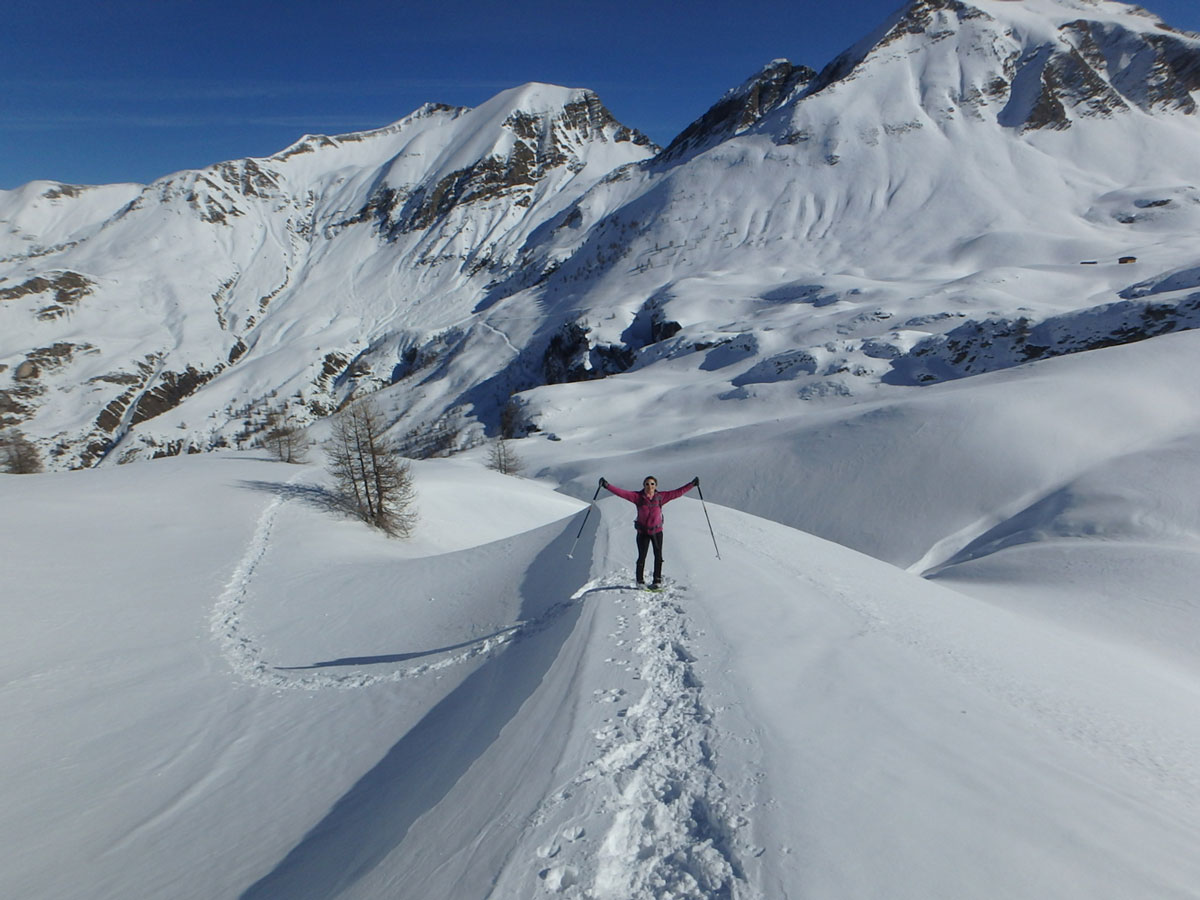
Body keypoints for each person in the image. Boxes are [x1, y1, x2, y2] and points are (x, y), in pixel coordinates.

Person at [599, 474, 699, 588]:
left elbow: (677, 492)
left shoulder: (661, 497)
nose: (649, 486)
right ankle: (640, 581)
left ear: (656, 486)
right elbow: (622, 493)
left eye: (652, 484)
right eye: (647, 484)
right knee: (642, 557)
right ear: (643, 485)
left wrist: (692, 484)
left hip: (657, 532)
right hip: (643, 532)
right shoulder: (637, 497)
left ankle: (657, 580)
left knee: (658, 556)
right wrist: (607, 486)